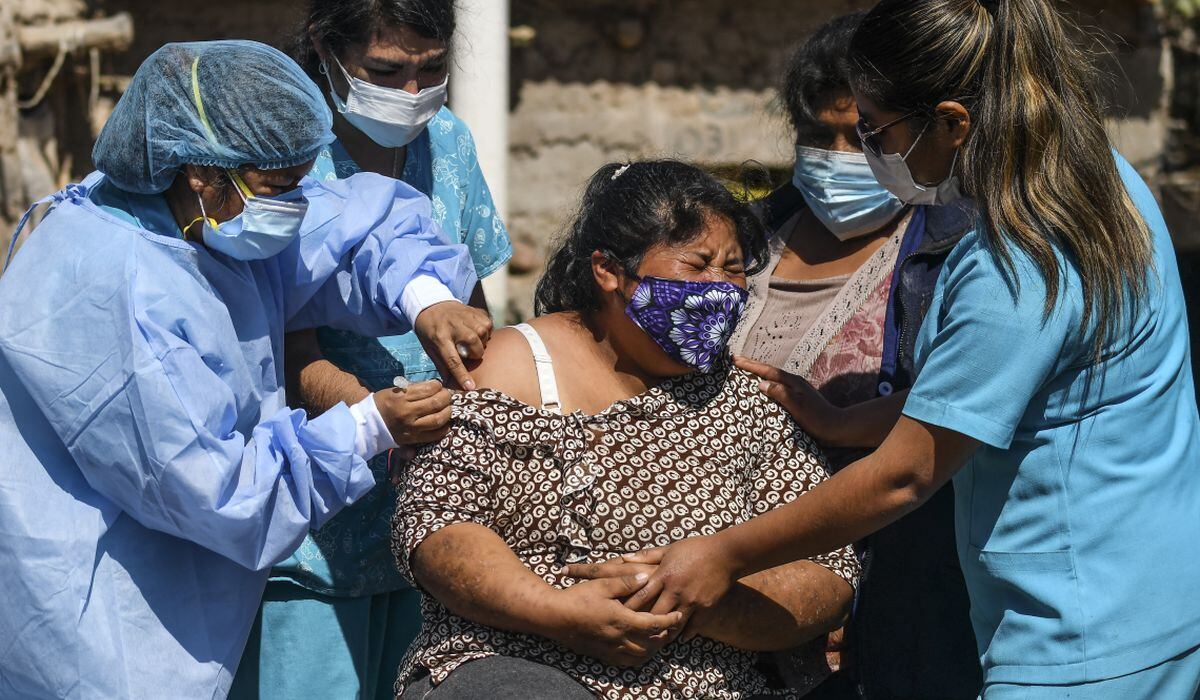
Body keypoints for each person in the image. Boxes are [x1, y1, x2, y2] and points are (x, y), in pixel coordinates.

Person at [590, 1, 1200, 698]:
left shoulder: (1016, 257)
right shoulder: (1099, 179)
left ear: (952, 122)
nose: (869, 155)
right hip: (1156, 584)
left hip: (1081, 628)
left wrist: (722, 555)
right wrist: (848, 422)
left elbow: (905, 476)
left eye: (876, 132)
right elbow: (1011, 380)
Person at [0, 40, 490, 699]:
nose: (293, 202)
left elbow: (349, 225)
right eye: (278, 186)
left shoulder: (200, 218)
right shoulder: (124, 288)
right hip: (102, 623)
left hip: (183, 583)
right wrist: (368, 427)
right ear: (202, 170)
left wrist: (425, 299)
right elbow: (222, 491)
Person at [392, 161, 861, 699]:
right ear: (609, 270)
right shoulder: (508, 369)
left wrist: (705, 605)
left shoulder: (745, 398)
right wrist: (558, 612)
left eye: (733, 269)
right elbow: (437, 526)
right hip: (520, 662)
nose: (720, 289)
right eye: (697, 265)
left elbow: (829, 570)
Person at [232, 1, 513, 697]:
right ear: (327, 51)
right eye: (386, 72)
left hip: (433, 511)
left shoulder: (445, 142)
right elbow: (281, 345)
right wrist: (377, 423)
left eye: (432, 70)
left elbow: (475, 309)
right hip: (317, 514)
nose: (412, 94)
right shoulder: (284, 159)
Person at [728, 13, 979, 699]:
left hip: (889, 592)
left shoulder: (956, 255)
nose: (841, 156)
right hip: (727, 598)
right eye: (819, 135)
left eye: (862, 133)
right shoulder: (743, 240)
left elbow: (948, 428)